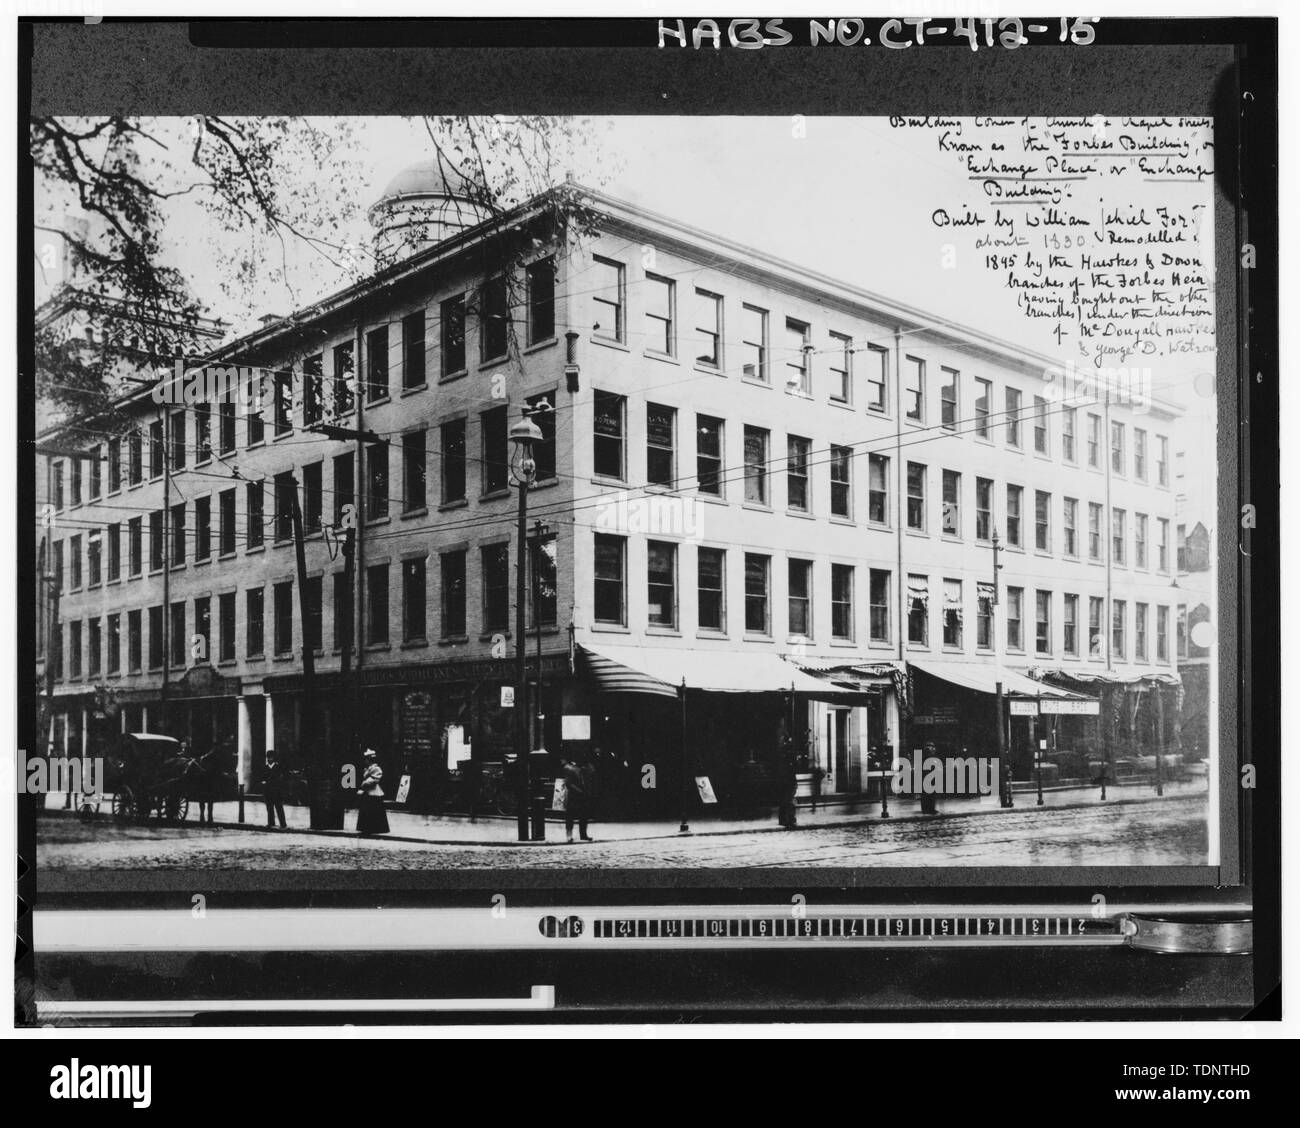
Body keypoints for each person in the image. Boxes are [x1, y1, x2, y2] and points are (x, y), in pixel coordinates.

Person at [356, 748, 390, 835]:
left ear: (369, 760)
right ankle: (367, 827)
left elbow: (375, 779)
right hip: (368, 792)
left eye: (366, 759)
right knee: (368, 809)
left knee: (372, 810)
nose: (365, 761)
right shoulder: (368, 768)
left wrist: (364, 784)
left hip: (373, 792)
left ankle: (374, 828)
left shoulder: (376, 768)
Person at [561, 756, 594, 843]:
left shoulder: (583, 769)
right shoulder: (569, 768)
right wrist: (579, 791)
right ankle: (569, 836)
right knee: (570, 816)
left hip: (582, 795)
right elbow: (569, 783)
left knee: (583, 815)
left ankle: (583, 834)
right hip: (573, 796)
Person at [263, 750, 287, 829]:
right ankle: (271, 823)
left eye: (271, 757)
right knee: (269, 808)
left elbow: (281, 780)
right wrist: (263, 782)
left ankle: (283, 824)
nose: (269, 759)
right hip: (268, 792)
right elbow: (262, 778)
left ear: (274, 758)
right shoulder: (265, 768)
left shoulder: (278, 767)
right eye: (268, 757)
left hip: (277, 792)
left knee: (279, 808)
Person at [777, 747, 799, 829]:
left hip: (785, 785)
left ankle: (783, 820)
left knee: (784, 802)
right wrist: (795, 785)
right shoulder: (790, 766)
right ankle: (790, 821)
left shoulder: (782, 764)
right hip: (789, 785)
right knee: (789, 803)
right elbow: (792, 777)